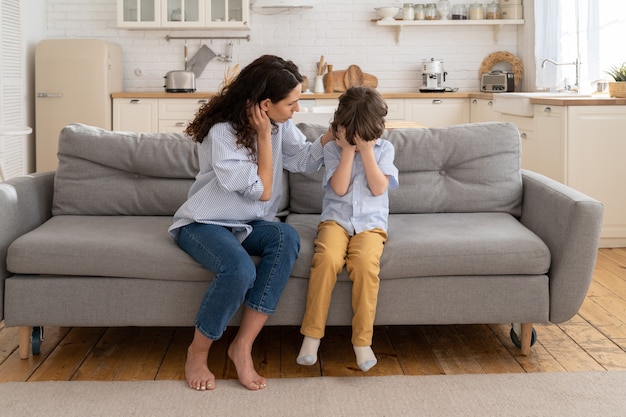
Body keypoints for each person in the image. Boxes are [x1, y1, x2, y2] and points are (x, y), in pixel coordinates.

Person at [169, 55, 334, 391]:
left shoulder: (280, 124)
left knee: (285, 238)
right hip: (203, 223)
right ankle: (197, 353)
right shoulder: (222, 134)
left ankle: (241, 347)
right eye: (292, 103)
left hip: (246, 224)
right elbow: (263, 191)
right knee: (240, 271)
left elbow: (302, 159)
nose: (297, 110)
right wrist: (262, 137)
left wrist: (334, 133)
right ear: (265, 104)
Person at [296, 86, 399, 372]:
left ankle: (362, 342)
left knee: (366, 265)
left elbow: (379, 188)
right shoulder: (332, 149)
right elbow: (339, 188)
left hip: (371, 226)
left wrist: (366, 152)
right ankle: (312, 336)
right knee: (326, 259)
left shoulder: (384, 149)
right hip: (336, 221)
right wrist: (347, 152)